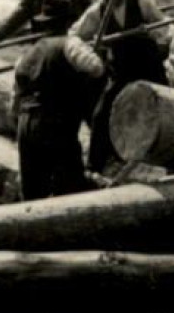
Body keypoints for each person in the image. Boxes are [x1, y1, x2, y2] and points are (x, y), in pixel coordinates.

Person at [70, 0, 170, 174]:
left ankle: (170, 160)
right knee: (101, 114)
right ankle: (96, 166)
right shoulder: (98, 11)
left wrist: (150, 33)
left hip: (149, 67)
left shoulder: (142, 2)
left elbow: (165, 28)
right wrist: (93, 45)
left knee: (165, 111)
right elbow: (76, 35)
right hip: (122, 71)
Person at [10, 34, 104, 200]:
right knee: (70, 187)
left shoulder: (26, 55)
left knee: (33, 190)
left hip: (26, 124)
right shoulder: (70, 43)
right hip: (55, 122)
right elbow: (96, 68)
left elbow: (14, 104)